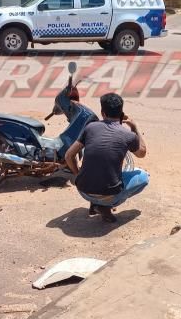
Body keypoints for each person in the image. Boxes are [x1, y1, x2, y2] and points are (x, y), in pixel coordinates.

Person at [64, 93, 149, 223]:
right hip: (109, 194)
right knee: (143, 176)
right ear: (121, 113)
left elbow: (69, 155)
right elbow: (142, 153)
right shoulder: (128, 135)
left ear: (102, 112)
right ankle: (105, 206)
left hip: (83, 190)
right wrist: (134, 128)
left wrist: (77, 174)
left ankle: (95, 202)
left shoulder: (90, 128)